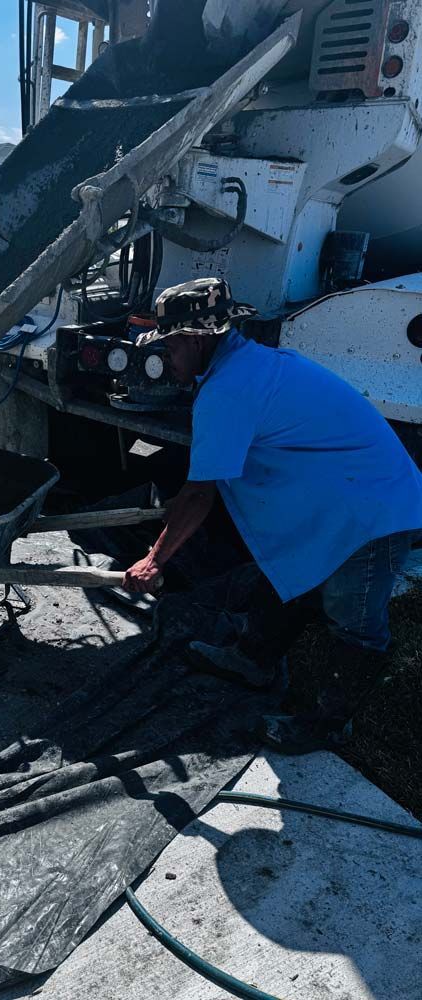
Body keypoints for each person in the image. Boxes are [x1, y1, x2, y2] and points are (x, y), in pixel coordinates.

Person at [122, 277, 422, 752]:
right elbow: (204, 483)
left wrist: (155, 560)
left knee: (354, 617)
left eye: (172, 346)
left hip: (373, 507)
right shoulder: (250, 364)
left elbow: (201, 496)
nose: (168, 358)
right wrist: (178, 508)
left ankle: (327, 725)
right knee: (291, 570)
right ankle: (253, 660)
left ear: (197, 340)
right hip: (343, 491)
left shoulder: (229, 388)